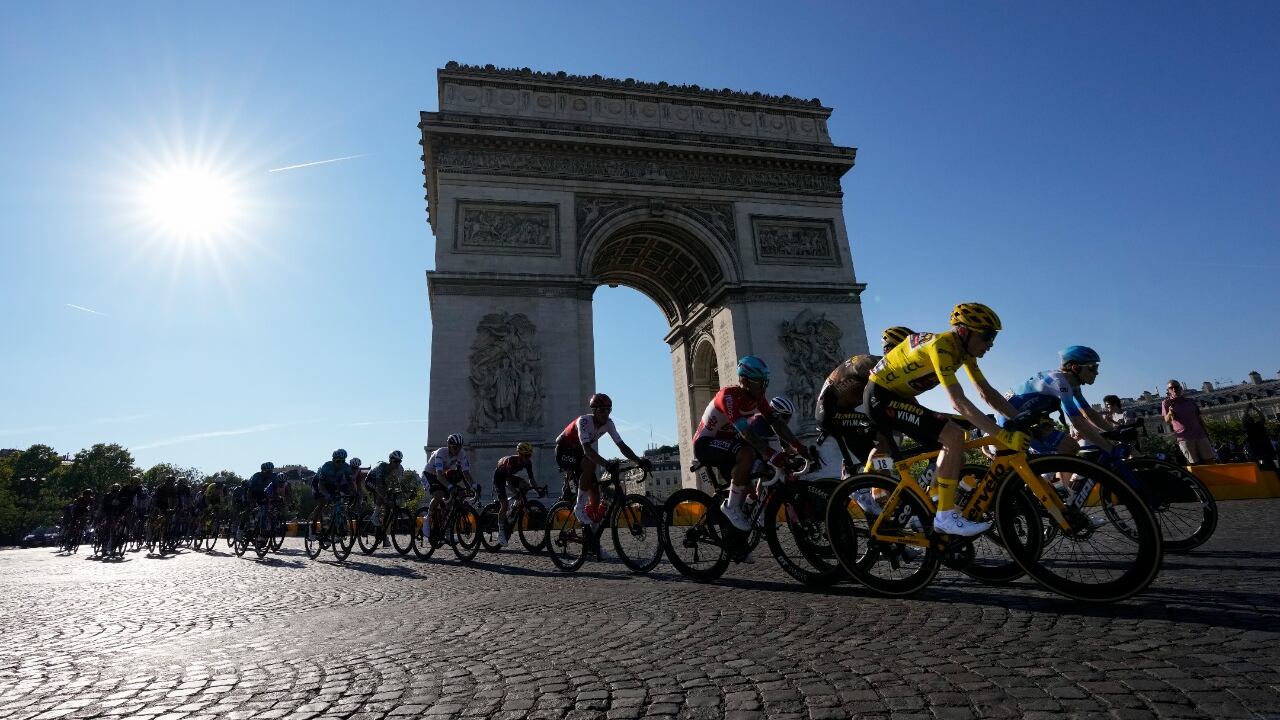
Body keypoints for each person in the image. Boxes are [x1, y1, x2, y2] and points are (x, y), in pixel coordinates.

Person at [864, 303, 1025, 537]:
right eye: (987, 336)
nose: (991, 343)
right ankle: (945, 515)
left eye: (994, 337)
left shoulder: (964, 352)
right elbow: (957, 401)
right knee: (953, 435)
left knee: (961, 435)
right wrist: (1000, 435)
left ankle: (934, 502)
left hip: (898, 397)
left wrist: (1020, 419)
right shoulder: (941, 346)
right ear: (964, 331)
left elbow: (985, 392)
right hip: (881, 398)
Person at [692, 355, 809, 532]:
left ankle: (737, 541)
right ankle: (730, 507)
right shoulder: (728, 397)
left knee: (749, 495)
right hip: (706, 443)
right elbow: (746, 433)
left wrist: (799, 447)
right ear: (745, 381)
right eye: (760, 382)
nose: (764, 387)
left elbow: (776, 423)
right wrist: (770, 453)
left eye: (765, 382)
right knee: (748, 453)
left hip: (728, 445)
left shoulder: (758, 398)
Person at [814, 327, 915, 478]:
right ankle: (865, 480)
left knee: (886, 448)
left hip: (843, 412)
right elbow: (903, 402)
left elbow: (910, 402)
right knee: (889, 434)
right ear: (895, 350)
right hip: (830, 414)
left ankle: (863, 477)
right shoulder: (873, 366)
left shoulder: (883, 366)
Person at [555, 394, 652, 528]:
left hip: (578, 453)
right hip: (564, 450)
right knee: (590, 464)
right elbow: (588, 450)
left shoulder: (609, 424)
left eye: (608, 410)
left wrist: (639, 461)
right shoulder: (583, 421)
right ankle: (579, 507)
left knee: (595, 494)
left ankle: (593, 542)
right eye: (601, 410)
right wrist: (606, 464)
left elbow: (622, 446)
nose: (605, 413)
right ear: (594, 411)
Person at [1004, 346, 1116, 455]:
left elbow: (1088, 412)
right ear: (1075, 367)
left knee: (1072, 449)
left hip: (1025, 419)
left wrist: (1116, 432)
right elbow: (1077, 422)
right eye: (1092, 367)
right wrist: (1111, 449)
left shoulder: (1072, 385)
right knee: (1070, 447)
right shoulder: (1060, 383)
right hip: (1010, 420)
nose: (1096, 372)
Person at [424, 435, 474, 541]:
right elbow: (438, 475)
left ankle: (446, 529)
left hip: (442, 475)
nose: (457, 450)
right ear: (449, 445)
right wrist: (450, 486)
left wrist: (472, 485)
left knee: (454, 497)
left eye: (459, 447)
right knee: (439, 495)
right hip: (430, 474)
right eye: (454, 447)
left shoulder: (461, 453)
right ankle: (427, 519)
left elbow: (465, 472)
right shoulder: (441, 452)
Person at [492, 443, 538, 546]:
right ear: (520, 454)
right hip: (499, 478)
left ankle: (514, 508)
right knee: (504, 504)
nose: (528, 458)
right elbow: (507, 483)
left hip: (509, 476)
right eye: (526, 456)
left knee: (525, 485)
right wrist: (516, 493)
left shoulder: (527, 463)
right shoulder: (511, 462)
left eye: (529, 456)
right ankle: (501, 532)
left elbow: (531, 480)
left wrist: (538, 489)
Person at [1161, 381, 1215, 465]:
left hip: (1200, 435)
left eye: (1176, 387)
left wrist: (1206, 431)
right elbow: (1167, 420)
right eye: (1171, 388)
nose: (1174, 389)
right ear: (1168, 390)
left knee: (1210, 460)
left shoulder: (1190, 401)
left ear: (1180, 388)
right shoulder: (1166, 403)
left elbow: (1198, 417)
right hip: (1184, 438)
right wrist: (1170, 412)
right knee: (1193, 463)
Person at [1243, 404, 1276, 470]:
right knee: (1268, 462)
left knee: (1262, 462)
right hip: (1265, 447)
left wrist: (1247, 410)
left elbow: (1244, 419)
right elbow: (1262, 417)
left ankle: (1264, 469)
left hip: (1257, 449)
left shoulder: (1248, 428)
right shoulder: (1257, 425)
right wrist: (1255, 409)